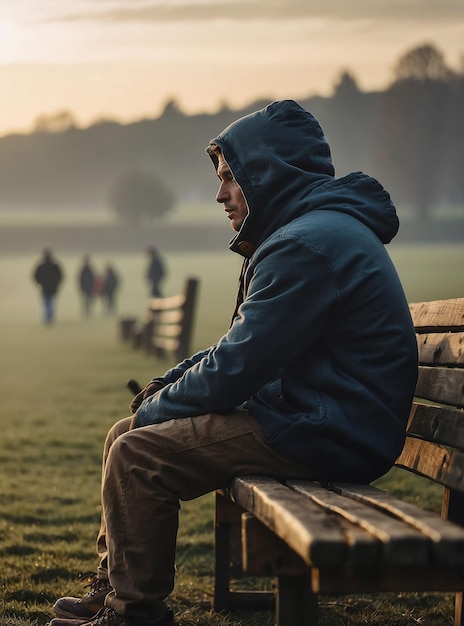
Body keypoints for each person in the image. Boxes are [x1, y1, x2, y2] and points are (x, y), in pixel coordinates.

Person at [49, 100, 418, 626]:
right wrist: (167, 386)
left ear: (267, 173)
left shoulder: (306, 246)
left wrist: (160, 407)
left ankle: (134, 614)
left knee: (138, 454)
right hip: (315, 417)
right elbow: (241, 348)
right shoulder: (306, 235)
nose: (220, 194)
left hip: (330, 432)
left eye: (231, 178)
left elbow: (236, 369)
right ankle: (112, 588)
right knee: (124, 433)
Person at [32, 248, 63, 324]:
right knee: (51, 302)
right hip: (52, 288)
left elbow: (35, 276)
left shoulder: (41, 266)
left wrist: (39, 283)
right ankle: (50, 316)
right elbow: (60, 276)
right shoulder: (55, 266)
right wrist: (56, 284)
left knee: (46, 302)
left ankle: (47, 316)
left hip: (44, 287)